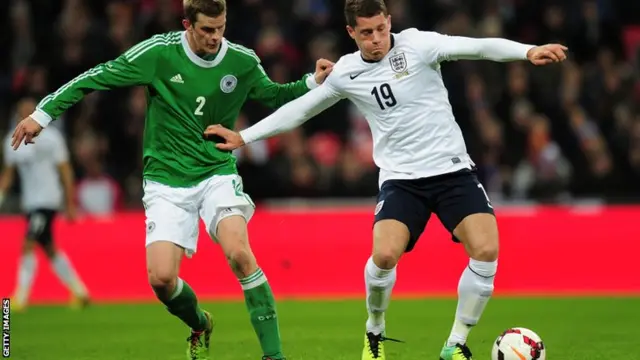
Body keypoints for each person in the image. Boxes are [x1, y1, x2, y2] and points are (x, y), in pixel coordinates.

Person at [201, 1, 568, 359]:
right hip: (402, 180)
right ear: (351, 32)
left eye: (380, 29)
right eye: (366, 33)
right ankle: (374, 330)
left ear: (389, 21)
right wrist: (244, 137)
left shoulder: (418, 44)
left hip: (452, 170)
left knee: (487, 250)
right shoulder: (346, 72)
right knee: (384, 255)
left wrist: (527, 51)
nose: (376, 38)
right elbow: (300, 109)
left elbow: (477, 46)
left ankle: (455, 342)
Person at [10, 0, 333, 359]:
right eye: (206, 30)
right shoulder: (159, 54)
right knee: (162, 279)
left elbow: (274, 94)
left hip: (215, 172)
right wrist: (43, 114)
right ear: (187, 24)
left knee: (240, 253)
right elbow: (97, 76)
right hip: (165, 179)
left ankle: (274, 356)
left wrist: (310, 81)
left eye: (220, 28)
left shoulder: (241, 60)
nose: (215, 37)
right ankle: (199, 323)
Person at [1, 97, 90, 312]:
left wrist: (69, 203)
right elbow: (9, 174)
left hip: (48, 200)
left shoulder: (51, 138)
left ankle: (21, 296)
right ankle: (80, 292)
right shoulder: (12, 140)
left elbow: (66, 171)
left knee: (28, 243)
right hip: (31, 203)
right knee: (49, 248)